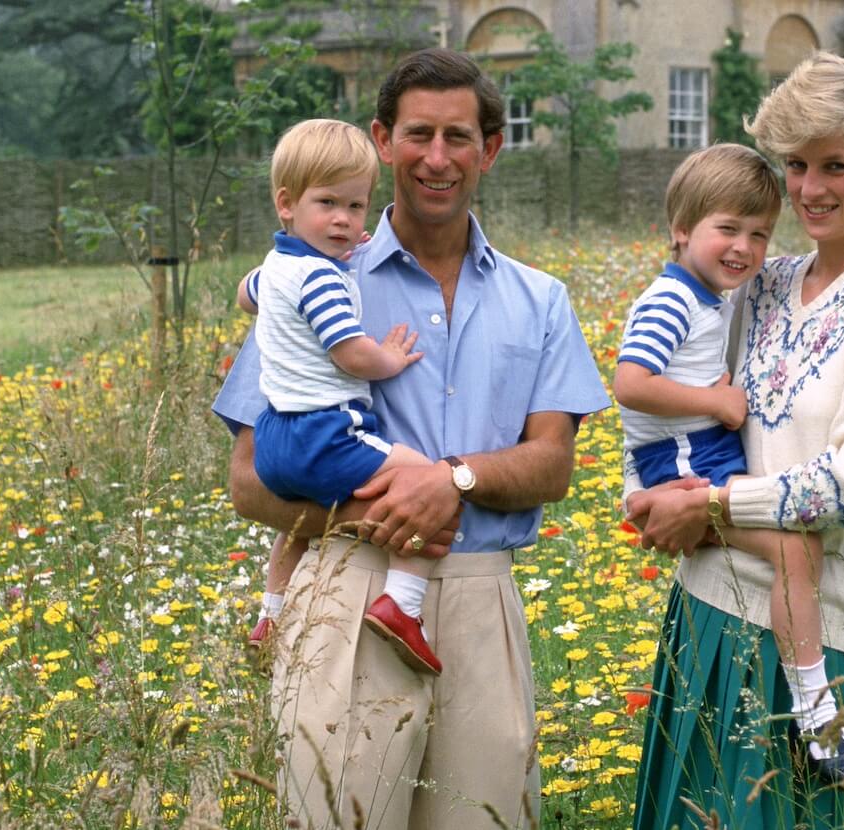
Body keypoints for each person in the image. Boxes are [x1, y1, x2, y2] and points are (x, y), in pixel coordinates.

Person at [213, 48, 610, 830]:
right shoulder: (314, 276)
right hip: (345, 590)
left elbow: (552, 464)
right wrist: (375, 518)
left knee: (485, 819)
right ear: (382, 140)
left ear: (491, 149)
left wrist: (450, 480)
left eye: (459, 137)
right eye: (418, 134)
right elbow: (248, 478)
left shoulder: (541, 300)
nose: (437, 158)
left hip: (481, 599)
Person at [626, 52, 844, 830]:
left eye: (835, 165)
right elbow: (679, 393)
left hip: (813, 648)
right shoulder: (762, 281)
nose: (808, 188)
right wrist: (649, 490)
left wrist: (706, 503)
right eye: (797, 164)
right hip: (703, 613)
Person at [613, 142, 844, 779]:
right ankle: (817, 721)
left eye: (759, 234)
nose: (745, 248)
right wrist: (719, 403)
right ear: (681, 230)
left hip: (700, 459)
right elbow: (630, 383)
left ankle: (813, 716)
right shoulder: (671, 300)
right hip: (687, 464)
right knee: (794, 551)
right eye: (727, 229)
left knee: (798, 552)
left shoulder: (709, 297)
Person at [237, 117, 447, 677]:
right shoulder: (322, 280)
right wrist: (391, 358)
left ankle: (272, 613)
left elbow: (245, 294)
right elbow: (349, 354)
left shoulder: (278, 266)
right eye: (327, 203)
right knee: (425, 481)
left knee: (296, 528)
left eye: (356, 208)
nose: (343, 220)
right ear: (286, 204)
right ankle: (402, 606)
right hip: (327, 430)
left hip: (276, 439)